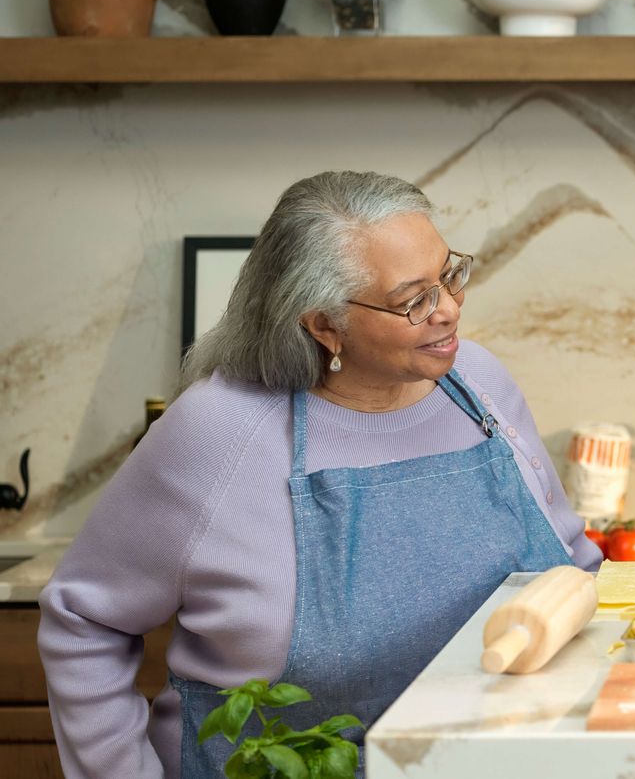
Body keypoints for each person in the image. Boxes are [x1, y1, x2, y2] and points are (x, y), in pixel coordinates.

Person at [39, 172, 601, 778]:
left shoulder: (479, 384)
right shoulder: (218, 432)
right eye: (414, 299)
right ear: (323, 325)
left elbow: (575, 568)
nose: (449, 310)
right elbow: (83, 620)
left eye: (450, 275)